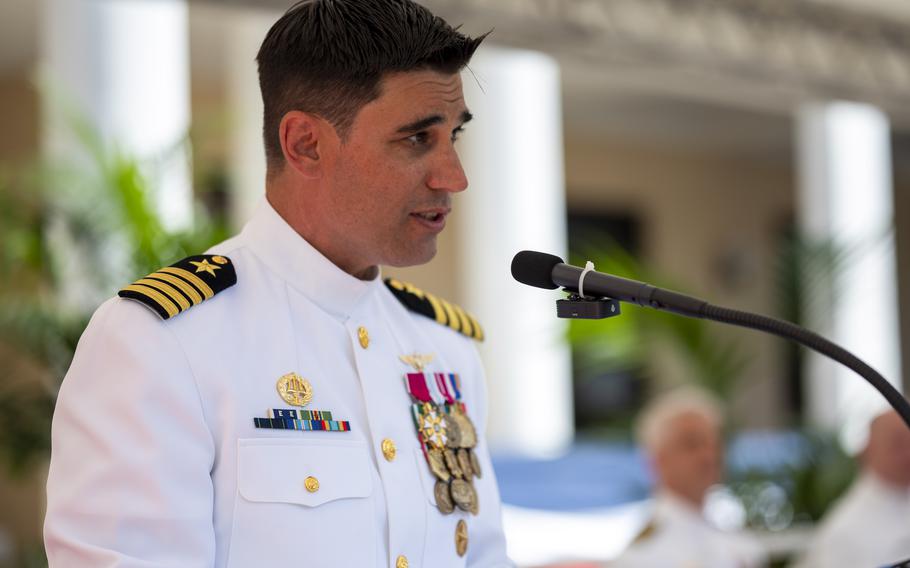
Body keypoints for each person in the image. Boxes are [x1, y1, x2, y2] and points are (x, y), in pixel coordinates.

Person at [43, 1, 513, 566]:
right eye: (417, 139)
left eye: (453, 136)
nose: (454, 177)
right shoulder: (161, 342)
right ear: (305, 144)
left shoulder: (444, 349)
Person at [609, 388, 766, 568]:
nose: (709, 456)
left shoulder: (736, 541)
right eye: (691, 444)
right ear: (657, 461)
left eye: (713, 443)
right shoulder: (643, 554)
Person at [797, 409, 910, 568]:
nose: (908, 453)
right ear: (869, 449)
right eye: (898, 443)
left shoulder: (902, 499)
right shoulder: (848, 531)